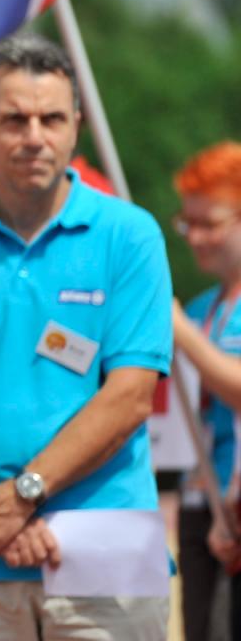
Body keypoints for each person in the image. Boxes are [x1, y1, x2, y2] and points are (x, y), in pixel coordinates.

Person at [0, 32, 172, 639]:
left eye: (51, 118)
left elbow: (129, 396)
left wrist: (19, 498)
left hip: (106, 546)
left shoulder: (130, 235)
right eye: (14, 119)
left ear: (76, 125)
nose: (34, 137)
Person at [167, 141, 241, 638]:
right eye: (187, 223)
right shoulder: (198, 308)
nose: (195, 237)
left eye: (210, 223)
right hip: (200, 504)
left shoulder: (185, 321)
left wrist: (183, 335)